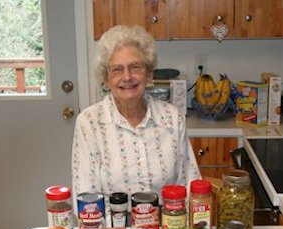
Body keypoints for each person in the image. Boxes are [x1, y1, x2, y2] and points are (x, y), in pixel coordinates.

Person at [71, 25, 200, 214]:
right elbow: (85, 199)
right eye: (117, 69)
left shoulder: (172, 118)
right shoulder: (89, 123)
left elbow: (190, 185)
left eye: (135, 67)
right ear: (105, 79)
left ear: (149, 73)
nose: (127, 77)